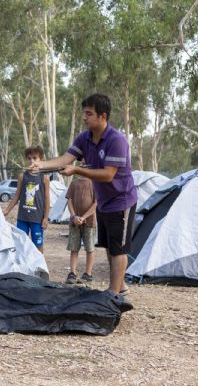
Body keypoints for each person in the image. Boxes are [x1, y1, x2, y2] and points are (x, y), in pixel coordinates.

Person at [30, 94, 137, 295]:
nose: (84, 117)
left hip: (122, 201)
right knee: (109, 246)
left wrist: (77, 170)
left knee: (118, 249)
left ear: (102, 116)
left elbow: (108, 174)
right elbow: (65, 159)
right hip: (104, 201)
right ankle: (120, 286)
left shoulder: (117, 141)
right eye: (84, 113)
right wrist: (41, 165)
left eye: (89, 114)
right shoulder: (84, 137)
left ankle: (114, 294)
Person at [2, 145, 51, 253]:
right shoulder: (22, 176)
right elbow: (16, 196)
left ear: (41, 160)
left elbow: (47, 199)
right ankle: (21, 268)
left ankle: (39, 267)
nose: (31, 161)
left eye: (34, 158)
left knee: (37, 245)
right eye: (29, 158)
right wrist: (6, 211)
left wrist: (46, 218)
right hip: (22, 218)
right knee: (20, 243)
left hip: (37, 219)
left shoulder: (44, 178)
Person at [65, 176, 97, 284]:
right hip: (74, 222)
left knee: (90, 247)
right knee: (74, 248)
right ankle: (72, 273)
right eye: (82, 161)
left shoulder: (94, 183)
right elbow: (69, 200)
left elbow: (96, 203)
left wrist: (83, 217)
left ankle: (88, 274)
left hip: (90, 221)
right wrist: (74, 216)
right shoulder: (74, 183)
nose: (84, 163)